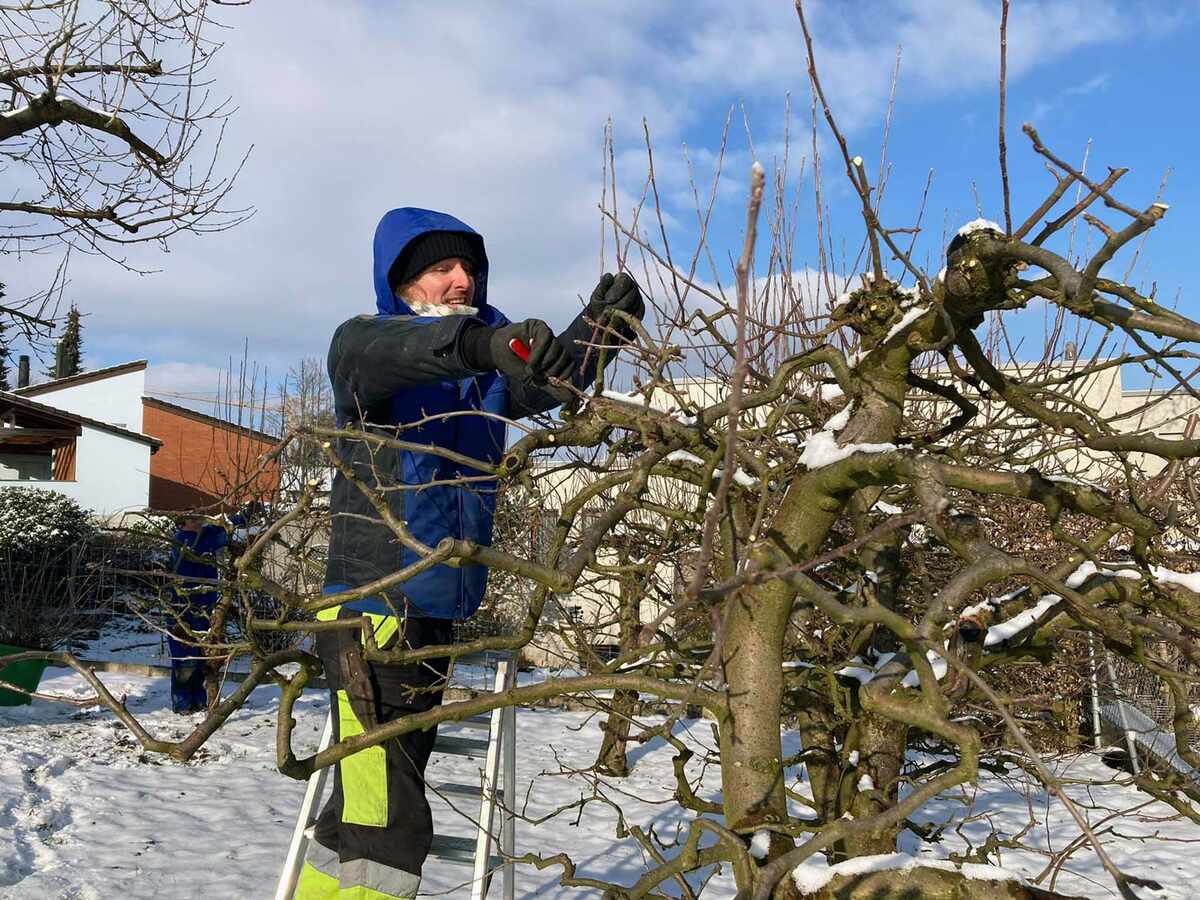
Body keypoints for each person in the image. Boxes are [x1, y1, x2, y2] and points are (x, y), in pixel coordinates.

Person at [295, 207, 644, 900]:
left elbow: (546, 381)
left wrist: (601, 331)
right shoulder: (365, 350)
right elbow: (432, 348)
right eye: (440, 269)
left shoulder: (475, 378)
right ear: (400, 282)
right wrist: (486, 344)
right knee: (385, 827)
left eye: (469, 268)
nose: (462, 279)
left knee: (363, 813)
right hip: (375, 611)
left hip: (430, 610)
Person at [165, 515, 228, 714]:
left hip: (202, 605)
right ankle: (183, 702)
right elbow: (219, 537)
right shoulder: (185, 540)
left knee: (201, 655)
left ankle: (199, 700)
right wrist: (229, 523)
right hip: (183, 608)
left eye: (199, 518)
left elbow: (221, 533)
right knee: (185, 657)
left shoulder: (203, 536)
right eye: (193, 520)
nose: (199, 522)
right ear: (182, 524)